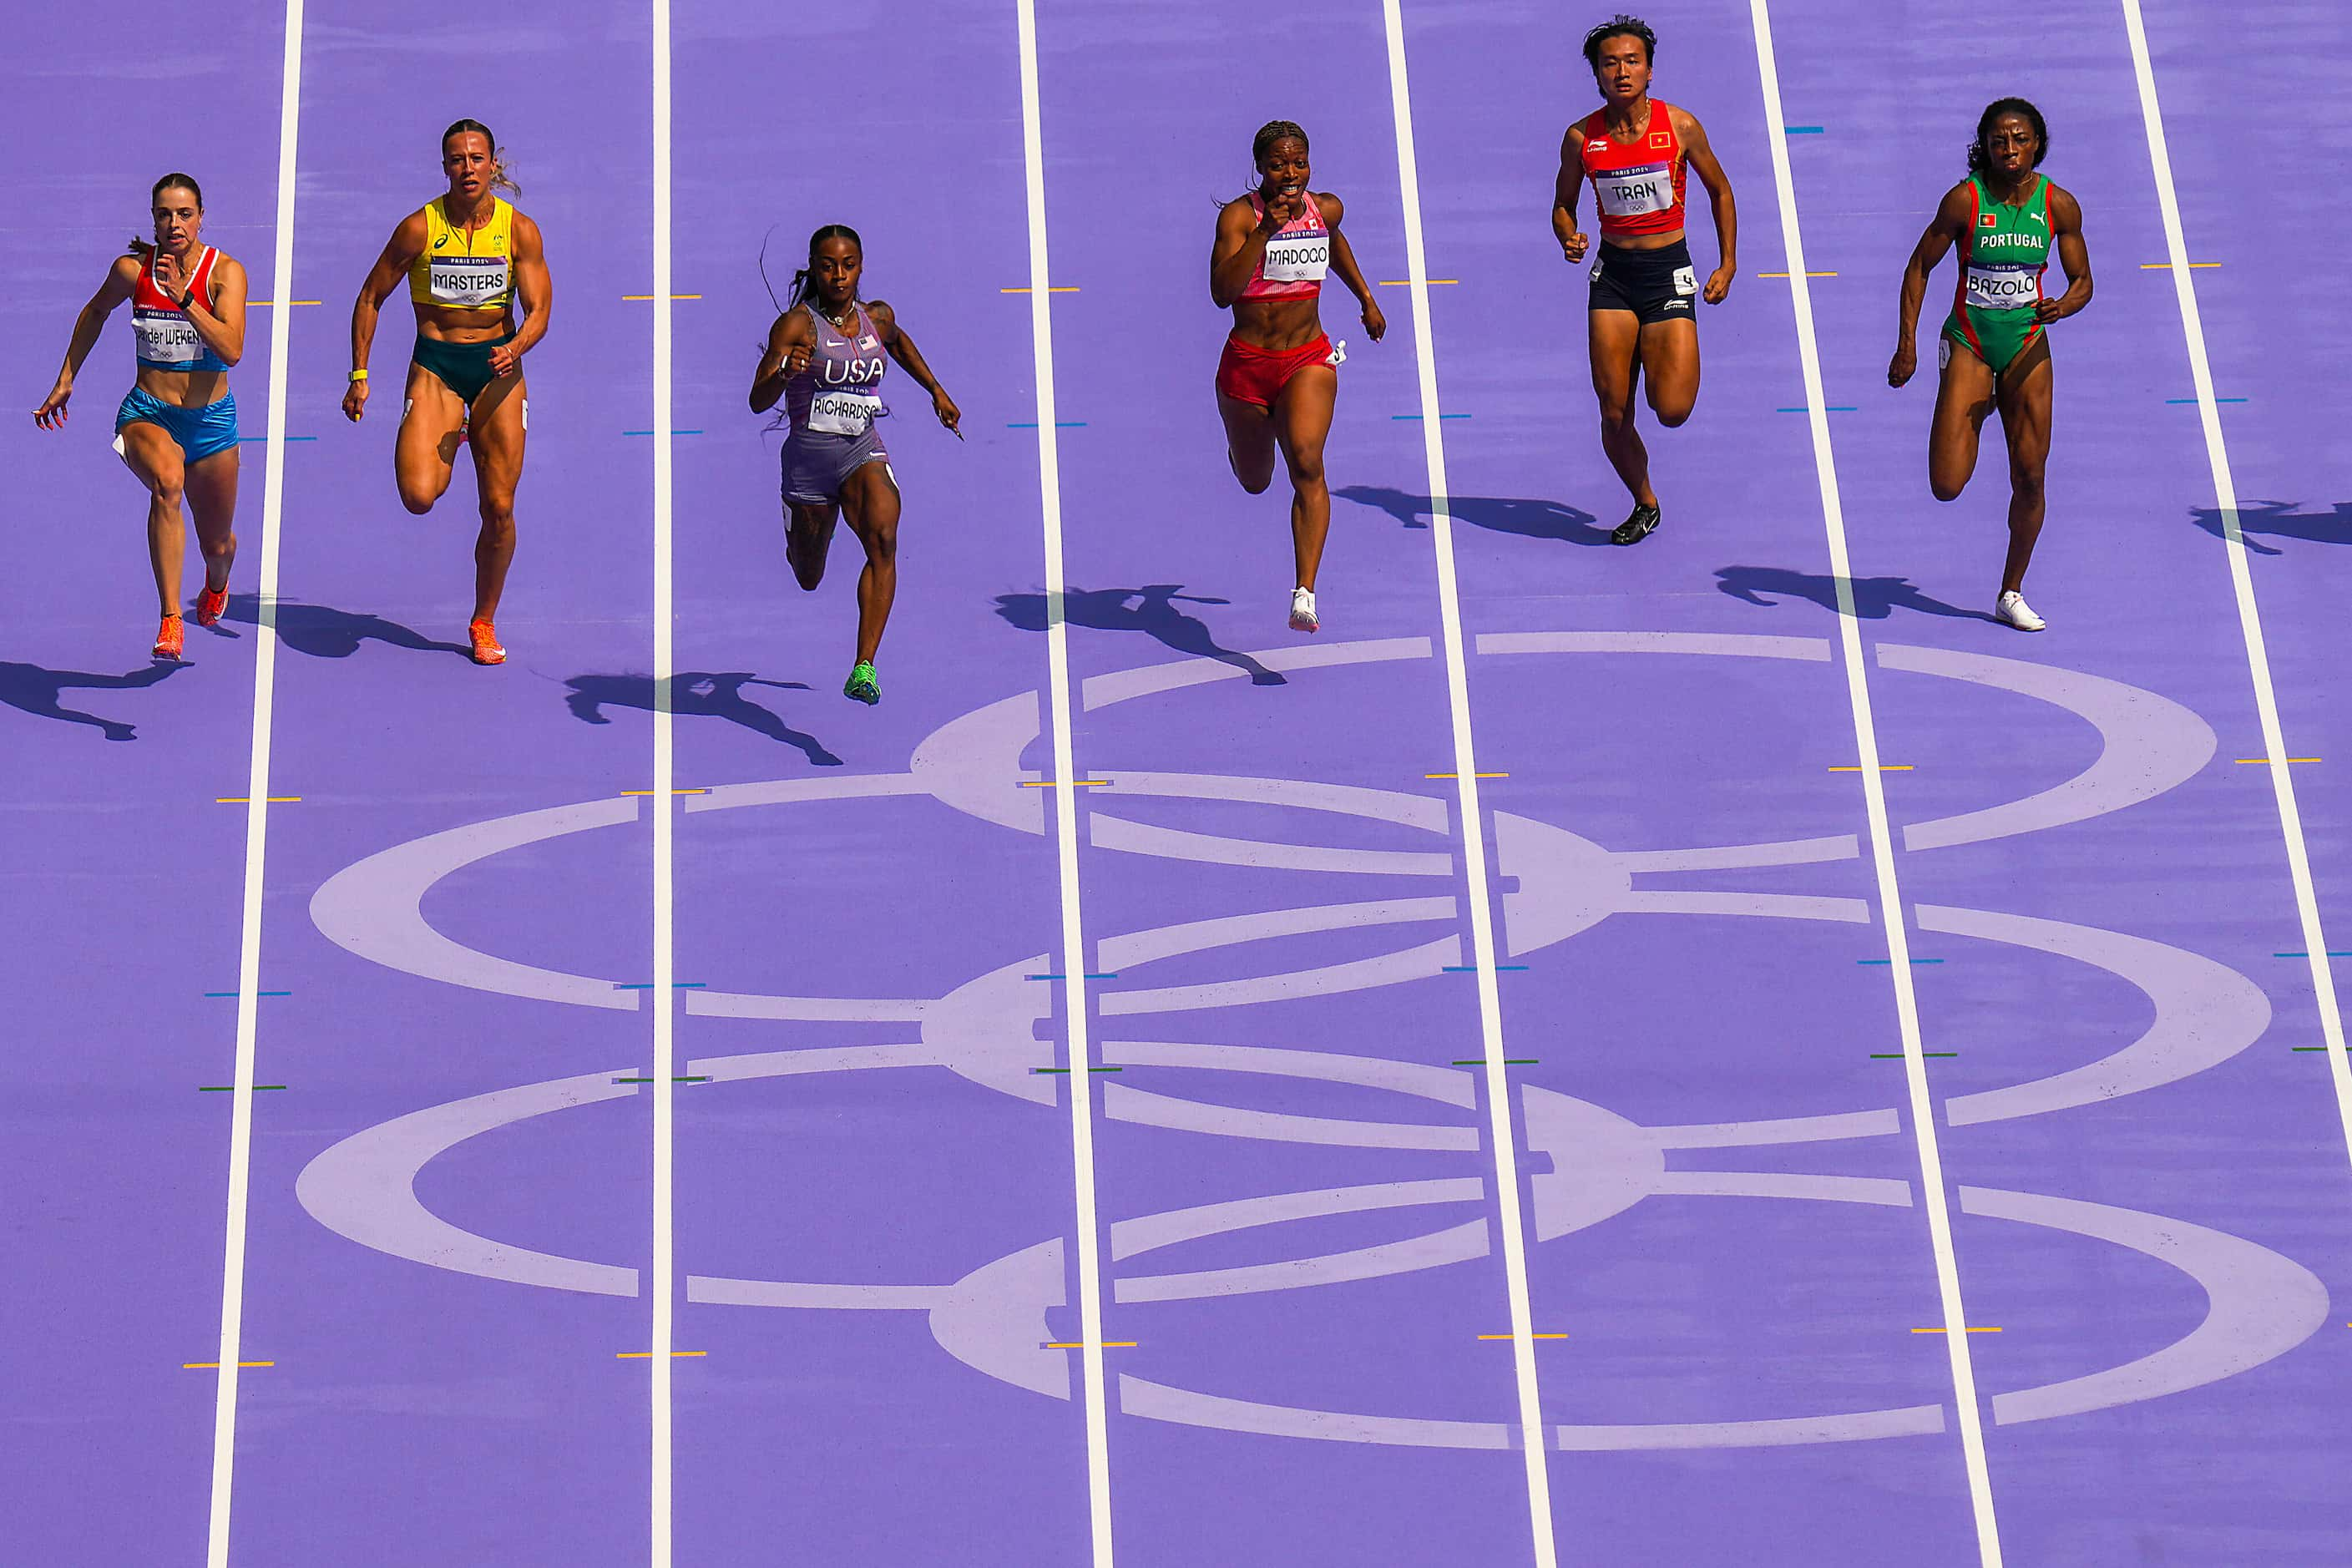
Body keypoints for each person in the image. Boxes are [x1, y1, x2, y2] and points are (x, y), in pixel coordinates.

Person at [343, 119, 551, 665]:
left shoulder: (518, 230)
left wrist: (519, 345)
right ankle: (452, 422)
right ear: (444, 167)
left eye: (477, 158)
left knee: (499, 507)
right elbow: (370, 296)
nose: (467, 168)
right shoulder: (418, 228)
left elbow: (540, 309)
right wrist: (359, 375)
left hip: (496, 368)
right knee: (418, 497)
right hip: (435, 366)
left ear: (492, 165)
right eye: (456, 159)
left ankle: (483, 621)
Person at [1889, 98, 2091, 632]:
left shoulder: (2060, 205)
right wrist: (1906, 344)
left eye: (2020, 139)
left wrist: (2066, 305)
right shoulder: (1964, 201)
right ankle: (1971, 402)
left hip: (2026, 344)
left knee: (2030, 477)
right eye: (1999, 140)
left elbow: (2083, 281)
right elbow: (1918, 266)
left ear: (2037, 144)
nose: (2010, 149)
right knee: (1947, 484)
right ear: (1985, 145)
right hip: (1972, 340)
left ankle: (2011, 590)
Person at [36, 174, 247, 660]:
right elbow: (94, 312)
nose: (174, 223)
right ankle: (171, 617)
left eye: (184, 214)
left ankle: (216, 582)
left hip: (212, 424)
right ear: (153, 219)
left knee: (217, 546)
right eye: (164, 214)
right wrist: (67, 376)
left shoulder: (224, 274)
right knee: (167, 484)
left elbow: (232, 349)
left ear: (201, 217)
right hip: (147, 413)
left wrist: (184, 299)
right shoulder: (132, 271)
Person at [748, 225, 960, 705]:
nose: (839, 275)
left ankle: (864, 666)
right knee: (808, 575)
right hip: (807, 466)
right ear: (815, 268)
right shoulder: (796, 326)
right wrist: (785, 372)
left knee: (884, 537)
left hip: (861, 451)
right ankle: (796, 532)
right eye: (828, 266)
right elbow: (757, 400)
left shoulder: (876, 320)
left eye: (848, 265)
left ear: (860, 266)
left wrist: (936, 390)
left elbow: (899, 344)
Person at [1552, 13, 1736, 546]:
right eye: (1611, 63)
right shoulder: (1581, 137)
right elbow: (1562, 206)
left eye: (1632, 61)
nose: (1622, 71)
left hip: (1667, 274)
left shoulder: (1679, 126)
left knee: (1672, 409)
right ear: (1598, 76)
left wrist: (1727, 264)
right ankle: (1645, 501)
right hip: (1612, 279)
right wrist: (1568, 235)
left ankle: (1664, 354)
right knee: (1613, 411)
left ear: (1650, 70)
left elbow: (1720, 191)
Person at [1210, 119, 1385, 633]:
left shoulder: (1323, 208)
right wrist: (1264, 233)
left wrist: (1367, 300)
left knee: (1307, 461)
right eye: (1279, 164)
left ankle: (1304, 592)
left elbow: (1334, 242)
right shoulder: (1240, 219)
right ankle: (1244, 447)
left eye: (1299, 162)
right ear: (1260, 168)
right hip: (1246, 367)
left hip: (1307, 357)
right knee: (1255, 480)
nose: (1291, 173)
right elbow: (1222, 292)